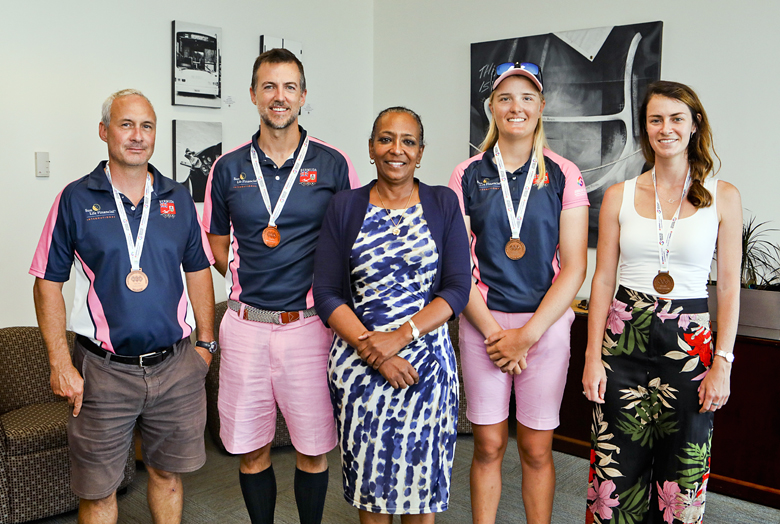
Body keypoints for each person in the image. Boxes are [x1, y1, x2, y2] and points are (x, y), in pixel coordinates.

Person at [30, 89, 216, 524]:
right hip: (103, 372)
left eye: (146, 126)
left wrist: (206, 345)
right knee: (98, 491)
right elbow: (47, 283)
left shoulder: (178, 198)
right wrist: (60, 364)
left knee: (168, 474)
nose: (137, 135)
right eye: (126, 124)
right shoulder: (75, 199)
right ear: (104, 131)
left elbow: (199, 271)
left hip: (175, 366)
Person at [203, 48, 359, 524]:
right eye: (269, 86)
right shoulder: (227, 168)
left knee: (313, 449)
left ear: (303, 96)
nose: (279, 96)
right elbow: (216, 242)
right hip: (245, 326)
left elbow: (351, 241)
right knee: (251, 450)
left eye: (289, 87)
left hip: (310, 327)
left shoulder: (333, 164)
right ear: (253, 95)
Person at [582, 81, 741, 524]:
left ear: (695, 125)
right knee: (616, 472)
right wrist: (593, 357)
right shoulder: (619, 195)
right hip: (623, 339)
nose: (665, 128)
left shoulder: (723, 196)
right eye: (655, 120)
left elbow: (729, 288)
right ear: (645, 128)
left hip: (690, 344)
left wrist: (723, 362)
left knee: (682, 473)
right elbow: (602, 280)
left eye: (676, 119)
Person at [313, 107, 471, 523]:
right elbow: (326, 294)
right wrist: (377, 353)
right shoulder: (345, 206)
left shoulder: (443, 202)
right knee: (373, 497)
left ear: (420, 152)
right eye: (385, 139)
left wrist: (398, 339)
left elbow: (457, 289)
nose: (396, 149)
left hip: (427, 369)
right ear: (370, 148)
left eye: (408, 141)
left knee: (422, 498)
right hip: (361, 365)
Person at [448, 62, 589, 524]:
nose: (517, 107)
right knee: (488, 445)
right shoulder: (466, 174)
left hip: (543, 328)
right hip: (483, 325)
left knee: (536, 448)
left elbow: (575, 267)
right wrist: (496, 334)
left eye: (527, 98)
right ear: (492, 106)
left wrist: (526, 336)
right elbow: (457, 266)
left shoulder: (564, 173)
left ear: (541, 106)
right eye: (506, 97)